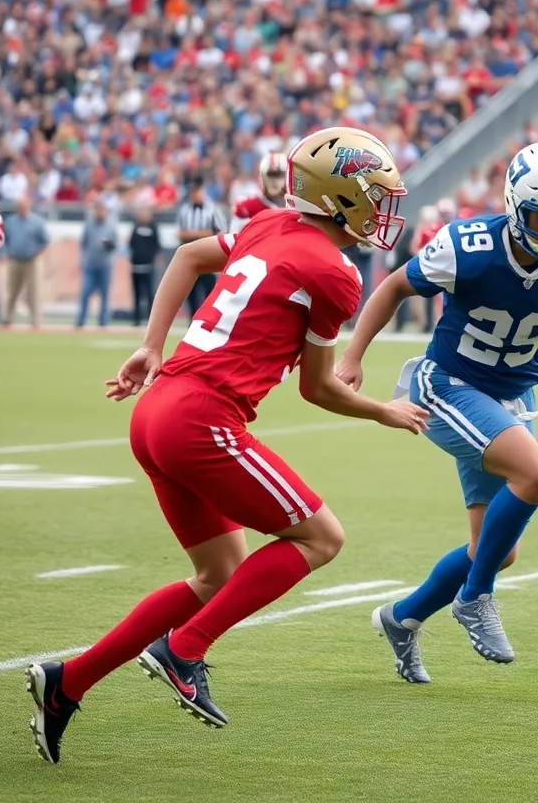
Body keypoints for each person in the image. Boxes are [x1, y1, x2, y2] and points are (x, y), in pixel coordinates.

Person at [25, 126, 428, 765]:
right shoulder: (334, 272)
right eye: (374, 196)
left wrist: (151, 345)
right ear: (341, 197)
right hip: (202, 420)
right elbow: (318, 390)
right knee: (322, 538)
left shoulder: (268, 225)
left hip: (158, 409)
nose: (383, 211)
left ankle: (67, 684)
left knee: (217, 576)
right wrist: (383, 411)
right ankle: (185, 650)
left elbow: (187, 258)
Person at [336, 141, 538, 683]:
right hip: (450, 385)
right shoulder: (468, 245)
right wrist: (354, 354)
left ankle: (401, 618)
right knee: (537, 472)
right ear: (514, 206)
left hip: (512, 395)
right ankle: (475, 600)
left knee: (495, 551)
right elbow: (392, 288)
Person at [176, 178, 227, 319]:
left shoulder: (212, 209)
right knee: (190, 292)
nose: (195, 195)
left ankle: (208, 320)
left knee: (209, 291)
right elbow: (179, 232)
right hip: (191, 258)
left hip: (208, 257)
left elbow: (220, 232)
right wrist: (200, 233)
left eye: (197, 192)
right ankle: (192, 321)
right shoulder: (184, 210)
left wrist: (194, 233)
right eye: (193, 192)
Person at [1, 194, 49, 329]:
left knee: (33, 291)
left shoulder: (37, 222)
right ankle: (7, 318)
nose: (21, 208)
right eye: (19, 205)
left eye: (23, 205)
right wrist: (8, 253)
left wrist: (36, 252)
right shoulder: (11, 222)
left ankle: (35, 320)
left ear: (28, 206)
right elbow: (6, 239)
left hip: (32, 261)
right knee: (12, 290)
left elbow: (44, 241)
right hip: (15, 260)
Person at [76, 199, 116, 328]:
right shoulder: (89, 225)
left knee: (104, 295)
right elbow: (83, 243)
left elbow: (115, 246)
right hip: (90, 264)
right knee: (85, 292)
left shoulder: (110, 227)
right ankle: (80, 320)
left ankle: (103, 322)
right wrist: (81, 261)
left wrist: (107, 244)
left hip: (105, 265)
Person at [128, 205, 162, 326]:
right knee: (137, 293)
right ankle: (136, 320)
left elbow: (157, 245)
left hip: (148, 266)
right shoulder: (136, 227)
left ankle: (150, 320)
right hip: (136, 265)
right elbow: (131, 243)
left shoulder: (153, 228)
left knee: (149, 293)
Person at [232, 152, 287, 222]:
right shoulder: (247, 207)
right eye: (270, 175)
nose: (274, 181)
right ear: (261, 176)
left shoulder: (296, 205)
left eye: (278, 175)